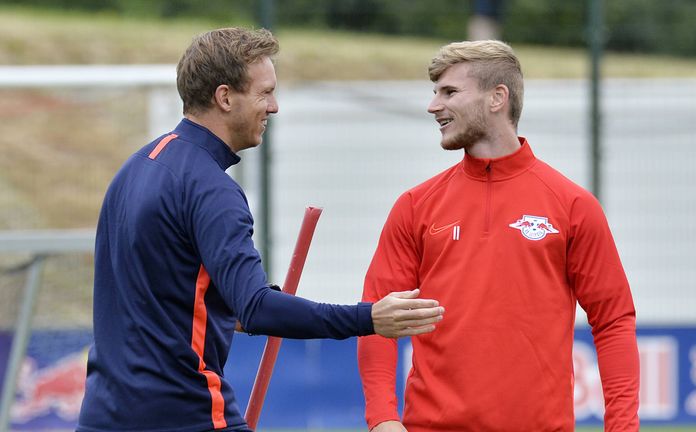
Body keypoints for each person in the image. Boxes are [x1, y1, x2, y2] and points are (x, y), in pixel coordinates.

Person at [76, 27, 444, 432]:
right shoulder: (212, 189)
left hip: (103, 416)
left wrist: (227, 305)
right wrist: (369, 317)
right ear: (225, 97)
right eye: (264, 92)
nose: (274, 106)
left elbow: (166, 292)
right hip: (184, 414)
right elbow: (255, 309)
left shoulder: (137, 166)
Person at [357, 40, 639, 432]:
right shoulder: (414, 206)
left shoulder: (572, 205)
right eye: (434, 92)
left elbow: (613, 321)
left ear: (497, 98)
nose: (433, 105)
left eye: (449, 92)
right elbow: (376, 316)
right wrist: (383, 418)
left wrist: (623, 427)